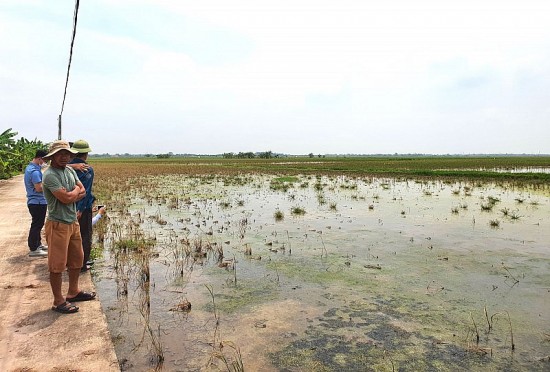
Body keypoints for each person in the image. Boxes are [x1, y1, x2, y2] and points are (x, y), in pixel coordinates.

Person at [42, 140, 96, 314]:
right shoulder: (50, 175)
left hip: (72, 222)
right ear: (52, 156)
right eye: (60, 153)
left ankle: (73, 292)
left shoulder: (70, 170)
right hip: (58, 223)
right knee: (57, 265)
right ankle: (58, 301)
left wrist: (71, 194)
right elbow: (66, 198)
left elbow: (83, 191)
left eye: (67, 153)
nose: (65, 157)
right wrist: (74, 194)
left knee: (76, 260)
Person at [69, 140, 96, 272]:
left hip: (66, 206)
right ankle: (82, 264)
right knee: (84, 236)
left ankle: (70, 262)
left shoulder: (63, 168)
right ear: (85, 154)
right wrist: (80, 209)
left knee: (70, 237)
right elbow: (85, 191)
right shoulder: (87, 169)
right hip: (82, 209)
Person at [24, 149, 49, 257]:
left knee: (38, 224)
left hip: (35, 202)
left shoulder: (31, 168)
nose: (45, 163)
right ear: (40, 158)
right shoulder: (34, 171)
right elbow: (39, 188)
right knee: (37, 225)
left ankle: (38, 244)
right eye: (44, 160)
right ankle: (34, 248)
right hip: (38, 202)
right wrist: (50, 186)